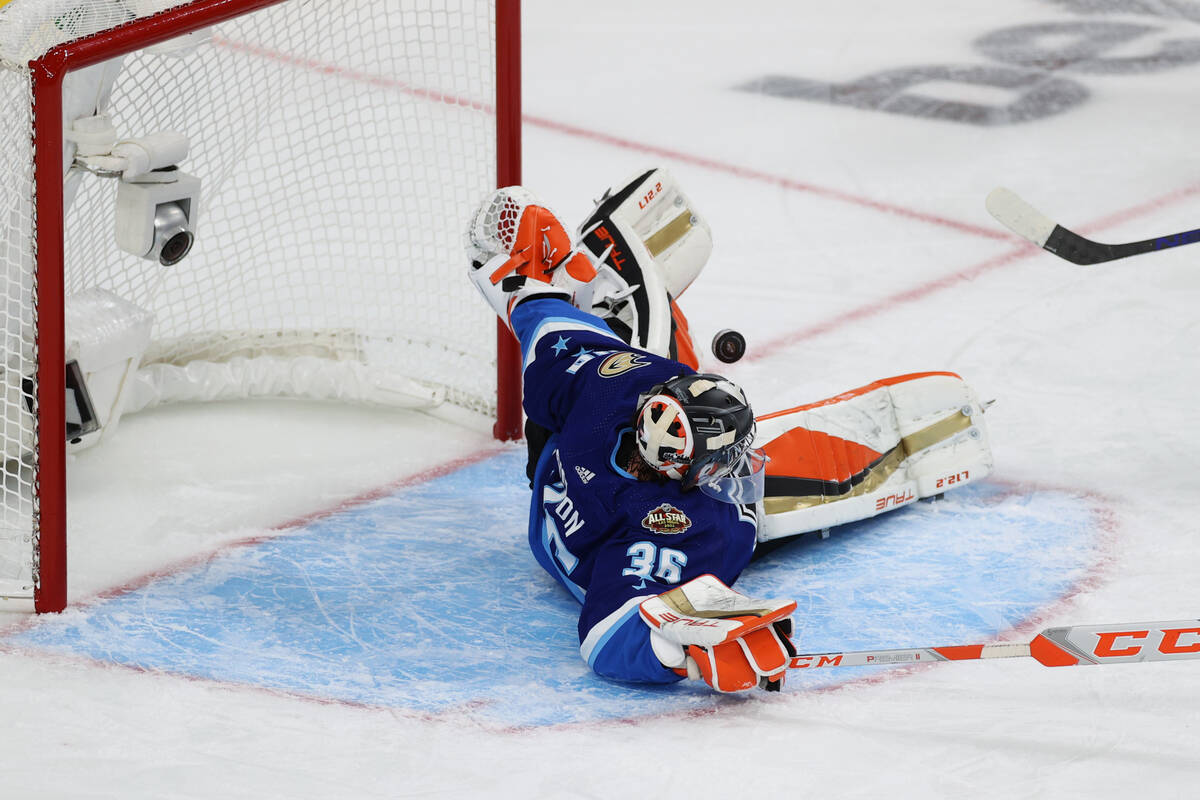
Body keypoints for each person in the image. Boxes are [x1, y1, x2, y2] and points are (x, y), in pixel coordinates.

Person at [465, 172, 798, 694]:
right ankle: (619, 310)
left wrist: (526, 289)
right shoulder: (690, 528)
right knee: (646, 349)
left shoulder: (614, 387)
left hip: (561, 466)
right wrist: (681, 657)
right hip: (589, 512)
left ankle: (606, 308)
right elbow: (607, 637)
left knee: (607, 362)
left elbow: (547, 331)